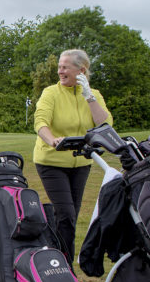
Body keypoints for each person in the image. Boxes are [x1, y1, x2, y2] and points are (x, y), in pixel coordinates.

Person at [33, 48, 113, 260]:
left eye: (65, 67)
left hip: (80, 163)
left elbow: (105, 124)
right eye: (59, 66)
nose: (60, 71)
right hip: (51, 161)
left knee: (70, 216)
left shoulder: (93, 95)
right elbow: (40, 121)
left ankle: (55, 253)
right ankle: (65, 266)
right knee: (66, 214)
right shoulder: (51, 93)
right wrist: (52, 140)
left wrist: (89, 97)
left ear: (81, 70)